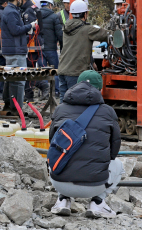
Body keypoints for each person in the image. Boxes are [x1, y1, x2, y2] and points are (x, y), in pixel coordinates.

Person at [49, 70, 122, 218]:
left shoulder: (60, 109)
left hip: (60, 182)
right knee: (118, 164)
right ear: (100, 89)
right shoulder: (108, 112)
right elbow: (114, 150)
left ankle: (62, 200)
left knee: (57, 154)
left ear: (77, 85)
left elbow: (52, 142)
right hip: (94, 186)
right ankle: (98, 202)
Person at [58, 0, 109, 101]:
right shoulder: (87, 29)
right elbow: (108, 35)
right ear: (85, 14)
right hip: (75, 72)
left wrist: (92, 61)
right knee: (76, 101)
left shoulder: (66, 27)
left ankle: (60, 117)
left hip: (62, 70)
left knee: (64, 101)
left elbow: (78, 46)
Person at [1, 0, 36, 113]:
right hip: (15, 51)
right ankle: (17, 109)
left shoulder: (10, 10)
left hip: (13, 49)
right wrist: (29, 26)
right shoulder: (11, 12)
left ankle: (9, 105)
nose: (22, 0)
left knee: (11, 79)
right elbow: (15, 30)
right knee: (19, 81)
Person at [22, 0, 49, 102]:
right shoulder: (34, 8)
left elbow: (32, 29)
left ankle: (43, 86)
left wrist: (23, 42)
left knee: (27, 71)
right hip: (35, 44)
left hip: (31, 45)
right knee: (29, 70)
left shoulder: (28, 10)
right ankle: (29, 95)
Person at [40, 0, 63, 98]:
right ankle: (56, 91)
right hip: (51, 48)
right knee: (55, 70)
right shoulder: (54, 17)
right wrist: (62, 46)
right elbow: (59, 34)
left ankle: (44, 92)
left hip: (39, 48)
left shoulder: (36, 16)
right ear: (50, 5)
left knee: (43, 71)